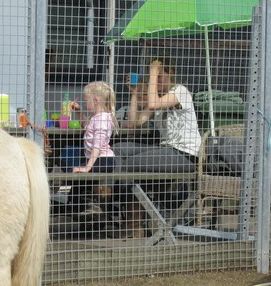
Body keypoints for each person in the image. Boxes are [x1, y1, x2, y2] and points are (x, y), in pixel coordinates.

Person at [114, 58, 202, 237]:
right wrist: (134, 93)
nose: (157, 80)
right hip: (167, 150)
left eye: (161, 76)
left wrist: (153, 71)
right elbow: (134, 123)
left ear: (171, 73)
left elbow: (153, 103)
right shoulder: (160, 99)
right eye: (155, 76)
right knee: (118, 149)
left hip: (185, 154)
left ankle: (132, 222)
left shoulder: (180, 92)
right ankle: (123, 212)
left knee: (131, 164)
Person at [66, 80, 118, 232]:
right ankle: (82, 210)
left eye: (86, 101)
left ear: (95, 100)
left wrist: (88, 167)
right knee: (78, 178)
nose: (85, 103)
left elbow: (97, 145)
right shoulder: (96, 117)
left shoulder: (102, 119)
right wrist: (79, 112)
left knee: (80, 176)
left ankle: (86, 210)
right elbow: (86, 128)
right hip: (97, 159)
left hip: (103, 159)